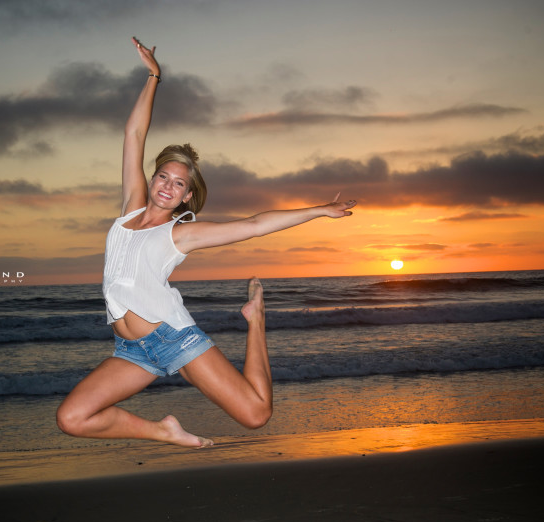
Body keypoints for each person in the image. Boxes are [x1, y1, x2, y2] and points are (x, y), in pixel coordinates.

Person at [56, 37, 356, 449]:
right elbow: (133, 133)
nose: (167, 185)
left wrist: (318, 210)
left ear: (186, 198)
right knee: (72, 417)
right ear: (153, 178)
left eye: (179, 184)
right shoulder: (129, 209)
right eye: (163, 176)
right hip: (130, 350)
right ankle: (163, 431)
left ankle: (256, 319)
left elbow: (253, 225)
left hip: (173, 339)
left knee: (256, 414)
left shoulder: (180, 234)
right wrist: (153, 76)